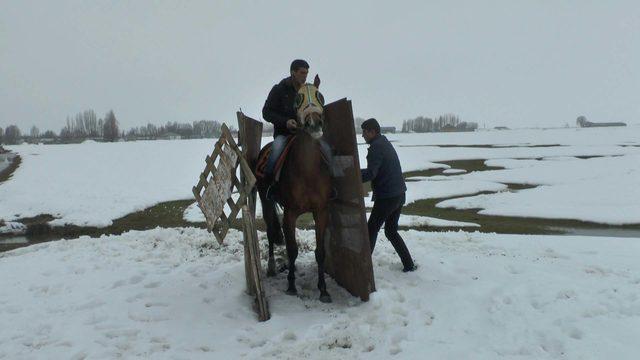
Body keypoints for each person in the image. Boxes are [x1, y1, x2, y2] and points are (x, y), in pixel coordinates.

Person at [361, 118, 416, 272]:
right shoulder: (383, 142)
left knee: (371, 229)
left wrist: (351, 175)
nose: (363, 136)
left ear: (373, 131)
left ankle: (364, 269)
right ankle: (409, 265)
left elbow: (372, 173)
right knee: (391, 231)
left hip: (387, 197)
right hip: (399, 194)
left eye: (364, 132)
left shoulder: (376, 148)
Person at [262, 59, 320, 199]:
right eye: (302, 73)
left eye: (306, 73)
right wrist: (285, 122)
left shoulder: (307, 91)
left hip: (305, 134)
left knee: (325, 149)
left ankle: (330, 185)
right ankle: (271, 187)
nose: (305, 76)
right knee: (276, 152)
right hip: (284, 134)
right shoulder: (279, 89)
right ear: (293, 73)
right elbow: (266, 112)